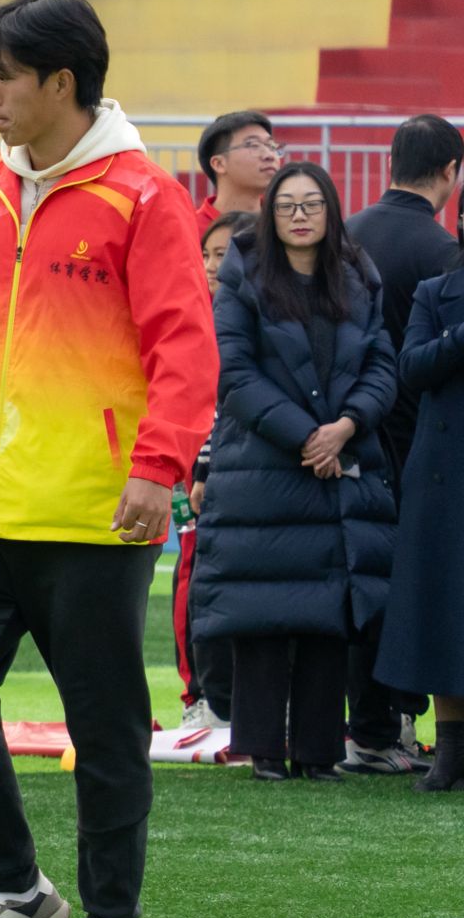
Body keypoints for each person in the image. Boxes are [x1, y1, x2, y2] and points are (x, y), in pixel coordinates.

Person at [0, 0, 217, 918]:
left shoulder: (143, 198)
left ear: (61, 82)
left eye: (4, 76)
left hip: (95, 512)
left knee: (104, 726)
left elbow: (184, 347)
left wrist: (156, 467)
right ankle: (15, 890)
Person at [193, 163, 396, 782]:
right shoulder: (245, 274)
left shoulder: (358, 273)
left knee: (328, 613)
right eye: (286, 206)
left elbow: (382, 363)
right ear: (270, 215)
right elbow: (233, 372)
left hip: (340, 462)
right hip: (264, 466)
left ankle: (317, 750)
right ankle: (263, 749)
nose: (300, 216)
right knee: (262, 612)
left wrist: (346, 426)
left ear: (331, 210)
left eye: (311, 204)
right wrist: (307, 436)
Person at [340, 113, 462, 772]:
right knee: (420, 592)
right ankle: (399, 727)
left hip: (345, 434)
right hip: (425, 446)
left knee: (360, 586)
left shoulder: (345, 235)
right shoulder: (441, 253)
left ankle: (369, 729)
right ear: (450, 171)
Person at [376, 253, 464, 790]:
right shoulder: (434, 292)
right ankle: (450, 749)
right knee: (444, 612)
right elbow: (411, 368)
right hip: (443, 478)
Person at [173, 211, 252, 731]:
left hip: (246, 475)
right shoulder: (193, 316)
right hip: (201, 477)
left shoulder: (256, 317)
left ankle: (247, 702)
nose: (210, 266)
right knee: (198, 582)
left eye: (222, 255)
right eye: (205, 255)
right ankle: (205, 697)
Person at [195, 110, 279, 236]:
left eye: (271, 146)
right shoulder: (191, 229)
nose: (269, 155)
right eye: (253, 145)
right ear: (219, 164)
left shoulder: (283, 222)